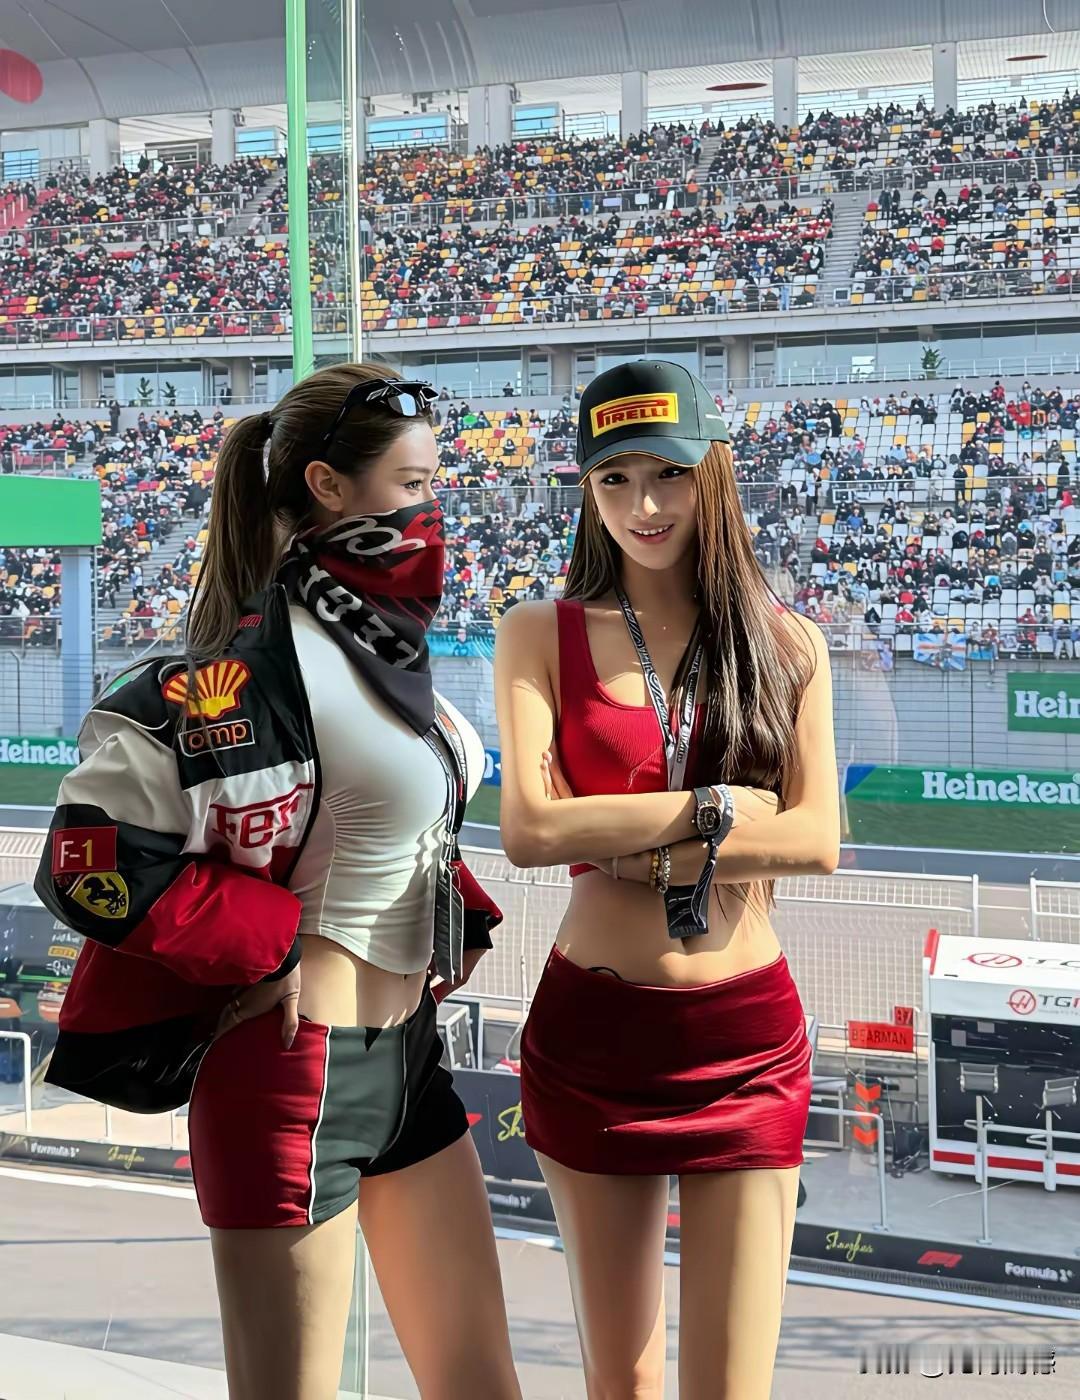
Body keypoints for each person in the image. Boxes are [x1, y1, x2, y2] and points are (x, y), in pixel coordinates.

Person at [35, 365, 521, 1400]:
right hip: (290, 1073)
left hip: (413, 1063)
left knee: (484, 1385)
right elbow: (86, 858)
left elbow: (376, 827)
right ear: (328, 487)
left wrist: (456, 917)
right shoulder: (232, 677)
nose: (432, 508)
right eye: (412, 484)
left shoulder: (389, 650)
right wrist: (268, 938)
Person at [494, 359, 840, 1400]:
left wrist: (615, 843)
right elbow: (529, 829)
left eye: (668, 475)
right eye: (614, 480)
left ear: (712, 473)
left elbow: (816, 840)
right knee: (622, 1385)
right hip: (593, 1038)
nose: (643, 506)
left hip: (748, 1044)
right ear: (586, 490)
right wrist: (719, 809)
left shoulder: (789, 644)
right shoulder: (537, 633)